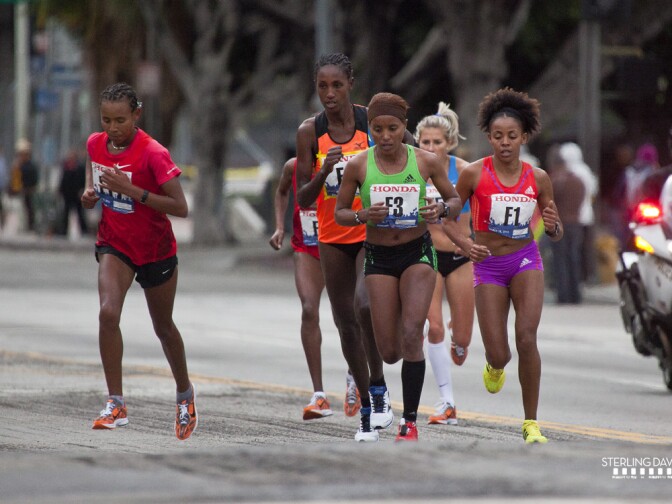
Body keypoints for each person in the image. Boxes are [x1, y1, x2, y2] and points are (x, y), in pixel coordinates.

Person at [335, 92, 461, 442]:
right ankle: (380, 387)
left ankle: (409, 422)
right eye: (378, 129)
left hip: (417, 253)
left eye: (393, 128)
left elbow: (454, 199)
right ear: (370, 129)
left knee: (411, 338)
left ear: (404, 127)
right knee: (389, 351)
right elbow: (340, 212)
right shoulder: (360, 165)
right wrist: (362, 215)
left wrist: (442, 210)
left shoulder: (425, 162)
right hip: (378, 256)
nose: (386, 136)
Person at [445, 87, 562, 444]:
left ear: (524, 136)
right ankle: (495, 365)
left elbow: (554, 229)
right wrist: (466, 244)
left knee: (527, 338)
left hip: (525, 259)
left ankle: (531, 423)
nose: (505, 143)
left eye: (512, 136)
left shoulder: (538, 178)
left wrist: (555, 226)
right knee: (501, 352)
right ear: (489, 137)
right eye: (498, 137)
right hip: (489, 266)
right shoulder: (474, 175)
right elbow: (449, 218)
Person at [80, 82, 197, 441]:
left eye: (120, 120)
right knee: (107, 313)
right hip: (115, 245)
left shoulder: (153, 153)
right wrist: (89, 193)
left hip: (155, 250)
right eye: (106, 120)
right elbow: (93, 173)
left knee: (163, 327)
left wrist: (135, 192)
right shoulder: (95, 143)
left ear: (136, 115)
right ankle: (115, 403)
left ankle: (184, 395)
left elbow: (181, 207)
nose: (112, 128)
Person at [295, 53, 392, 442]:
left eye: (337, 85)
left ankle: (381, 385)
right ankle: (368, 404)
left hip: (370, 232)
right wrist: (322, 170)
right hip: (332, 235)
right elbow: (302, 198)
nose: (329, 93)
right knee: (344, 321)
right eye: (322, 86)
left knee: (364, 305)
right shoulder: (310, 131)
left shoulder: (372, 122)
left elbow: (410, 157)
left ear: (351, 82)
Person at [269, 156, 361, 420]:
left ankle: (354, 375)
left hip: (341, 246)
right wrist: (279, 227)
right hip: (307, 247)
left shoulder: (349, 161)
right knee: (309, 309)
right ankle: (318, 395)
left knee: (346, 317)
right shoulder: (293, 166)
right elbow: (282, 191)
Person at [414, 102, 474, 426]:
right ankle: (446, 401)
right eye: (426, 142)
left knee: (461, 338)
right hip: (429, 256)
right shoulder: (413, 170)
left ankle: (459, 338)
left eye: (437, 142)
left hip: (462, 256)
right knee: (433, 326)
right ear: (418, 143)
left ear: (449, 143)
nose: (432, 147)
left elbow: (480, 212)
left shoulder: (464, 171)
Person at [546, 144, 585, 304]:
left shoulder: (555, 180)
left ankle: (563, 295)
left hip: (560, 223)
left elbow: (549, 202)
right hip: (576, 223)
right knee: (574, 258)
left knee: (560, 260)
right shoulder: (578, 181)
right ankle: (576, 294)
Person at [558, 142, 598, 283]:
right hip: (586, 215)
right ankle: (587, 277)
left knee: (574, 251)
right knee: (583, 249)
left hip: (574, 216)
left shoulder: (569, 173)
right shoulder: (586, 170)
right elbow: (593, 191)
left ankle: (579, 279)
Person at [11, 138, 39, 231]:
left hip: (28, 192)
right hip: (19, 192)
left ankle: (29, 227)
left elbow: (33, 180)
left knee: (29, 210)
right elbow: (14, 180)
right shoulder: (18, 166)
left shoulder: (30, 166)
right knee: (20, 211)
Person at [58, 148, 88, 236]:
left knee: (80, 213)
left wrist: (83, 190)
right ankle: (63, 230)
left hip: (77, 194)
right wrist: (60, 190)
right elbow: (63, 180)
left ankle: (84, 230)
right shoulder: (66, 167)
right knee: (66, 212)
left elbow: (84, 180)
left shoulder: (80, 168)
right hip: (67, 194)